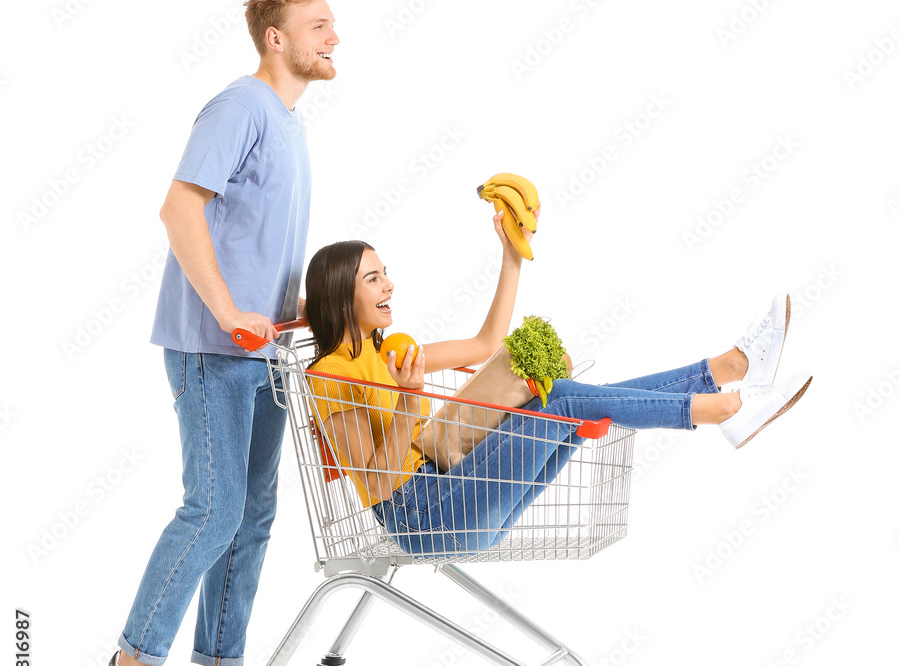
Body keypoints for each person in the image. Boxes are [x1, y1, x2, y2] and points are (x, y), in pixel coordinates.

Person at [104, 0, 338, 666]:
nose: (333, 37)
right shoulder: (240, 106)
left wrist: (284, 310)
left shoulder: (288, 122)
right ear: (277, 39)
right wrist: (228, 311)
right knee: (215, 508)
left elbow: (247, 235)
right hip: (212, 347)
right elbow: (179, 208)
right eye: (317, 26)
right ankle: (133, 664)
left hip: (261, 350)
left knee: (253, 513)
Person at [302, 205, 812, 556]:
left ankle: (727, 371)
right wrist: (409, 398)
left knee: (558, 396)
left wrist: (510, 256)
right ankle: (724, 404)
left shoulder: (382, 353)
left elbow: (485, 345)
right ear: (339, 296)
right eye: (373, 278)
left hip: (453, 490)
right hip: (424, 516)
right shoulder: (329, 375)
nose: (389, 283)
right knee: (565, 402)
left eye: (385, 272)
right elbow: (374, 483)